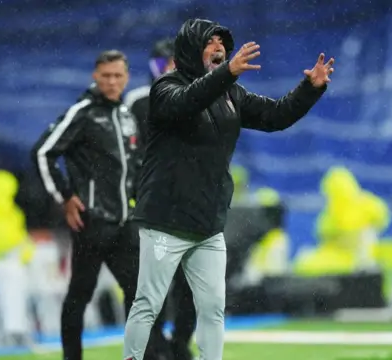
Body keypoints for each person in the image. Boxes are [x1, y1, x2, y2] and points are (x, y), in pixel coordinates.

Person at [123, 18, 335, 360]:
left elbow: (275, 116)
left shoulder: (231, 93)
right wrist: (226, 75)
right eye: (210, 41)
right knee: (148, 303)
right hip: (166, 221)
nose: (219, 46)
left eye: (223, 41)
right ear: (192, 48)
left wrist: (309, 89)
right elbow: (186, 102)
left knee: (213, 308)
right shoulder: (164, 88)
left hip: (207, 224)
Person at [32, 50, 165, 360]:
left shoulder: (126, 115)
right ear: (95, 75)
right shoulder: (83, 112)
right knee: (80, 296)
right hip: (91, 224)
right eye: (106, 75)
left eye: (118, 75)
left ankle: (149, 354)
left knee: (142, 297)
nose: (112, 81)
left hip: (124, 222)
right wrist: (64, 197)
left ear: (127, 77)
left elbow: (135, 166)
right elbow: (43, 152)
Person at [124, 38, 196, 360]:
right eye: (161, 64)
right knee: (152, 285)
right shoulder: (138, 101)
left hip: (189, 207)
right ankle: (155, 347)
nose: (166, 70)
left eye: (173, 64)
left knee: (191, 285)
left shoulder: (198, 98)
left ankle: (180, 344)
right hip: (152, 209)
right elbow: (127, 151)